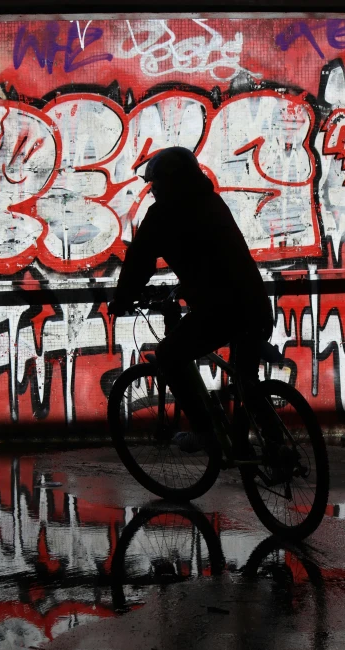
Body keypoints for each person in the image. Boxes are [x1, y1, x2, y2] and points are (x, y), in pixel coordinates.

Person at [108, 146, 273, 452]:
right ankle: (276, 450)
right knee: (247, 385)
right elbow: (215, 260)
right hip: (256, 305)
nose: (154, 191)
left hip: (220, 311)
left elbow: (139, 262)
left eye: (156, 184)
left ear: (170, 183)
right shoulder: (212, 203)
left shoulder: (163, 216)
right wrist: (186, 288)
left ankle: (205, 431)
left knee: (170, 356)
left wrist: (123, 299)